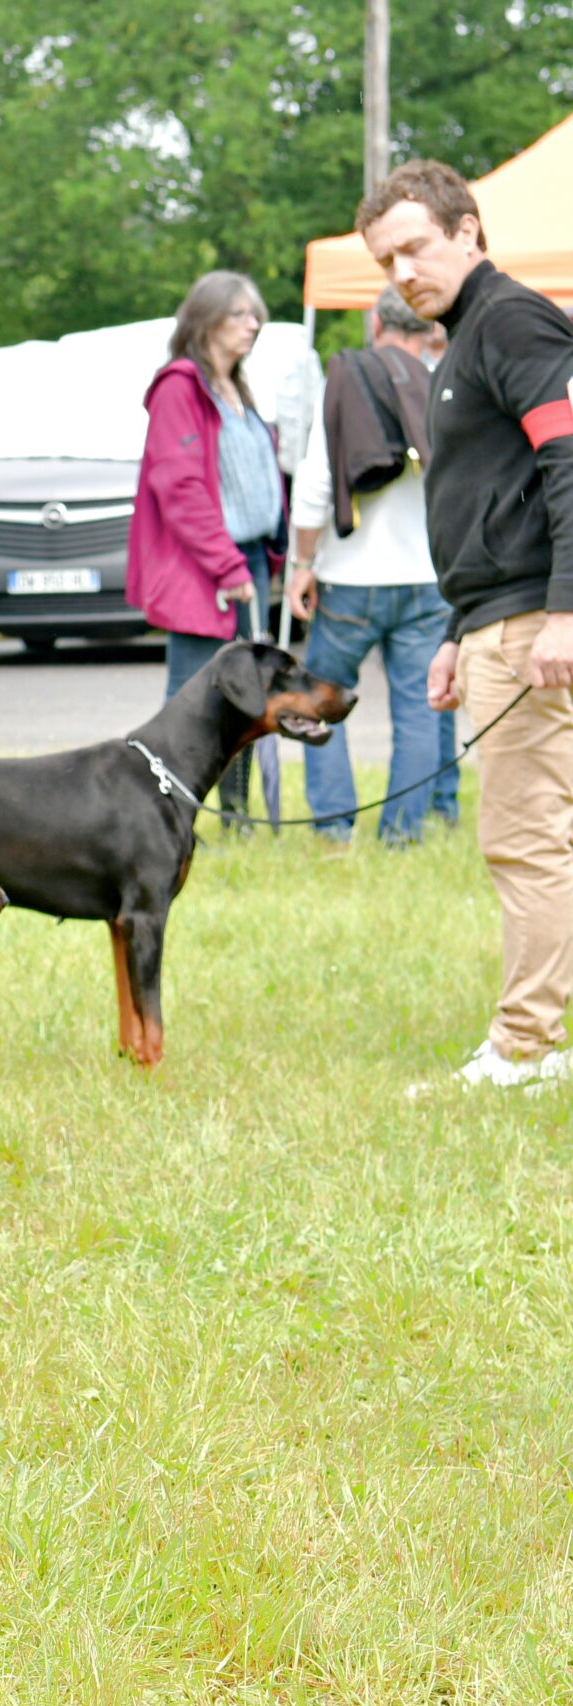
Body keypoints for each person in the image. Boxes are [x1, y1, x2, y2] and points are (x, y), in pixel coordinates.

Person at [358, 160, 573, 1088]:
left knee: (525, 840)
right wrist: (456, 629)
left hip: (536, 625)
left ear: (468, 231)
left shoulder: (512, 320)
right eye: (386, 259)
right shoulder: (466, 339)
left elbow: (569, 461)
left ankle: (526, 1047)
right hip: (497, 618)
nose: (402, 271)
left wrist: (565, 608)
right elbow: (492, 498)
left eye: (415, 246)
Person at [284, 285, 454, 848]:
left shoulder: (347, 380)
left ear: (376, 324)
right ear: (427, 327)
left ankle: (334, 829)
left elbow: (315, 483)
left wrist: (302, 562)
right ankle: (403, 836)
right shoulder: (444, 385)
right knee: (419, 710)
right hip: (426, 576)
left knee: (321, 702)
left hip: (350, 579)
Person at [127, 271, 283, 823]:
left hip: (247, 560)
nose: (253, 324)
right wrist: (226, 565)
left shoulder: (236, 388)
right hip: (206, 567)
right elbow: (179, 486)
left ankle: (237, 816)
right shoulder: (180, 386)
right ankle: (168, 819)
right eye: (239, 314)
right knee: (192, 702)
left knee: (246, 697)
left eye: (255, 315)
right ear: (206, 320)